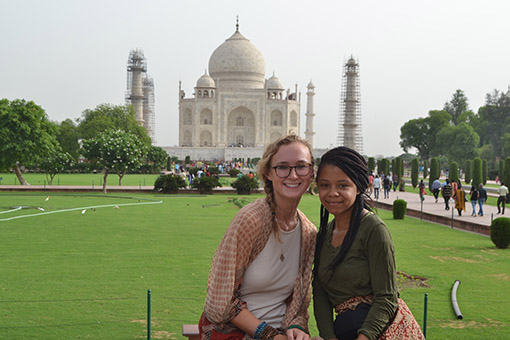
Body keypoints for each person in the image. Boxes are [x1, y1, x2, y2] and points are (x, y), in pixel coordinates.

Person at [199, 135, 317, 340]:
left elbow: (298, 303)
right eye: (282, 167)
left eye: (301, 166)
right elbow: (221, 300)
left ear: (311, 173)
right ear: (267, 173)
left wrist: (297, 327)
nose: (293, 175)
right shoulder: (251, 220)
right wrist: (269, 335)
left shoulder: (308, 233)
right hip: (237, 333)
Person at [313, 146, 425, 340]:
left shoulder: (372, 229)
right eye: (325, 185)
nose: (332, 193)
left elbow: (387, 297)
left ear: (359, 187)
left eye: (342, 185)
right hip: (345, 330)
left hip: (380, 332)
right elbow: (320, 292)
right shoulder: (325, 234)